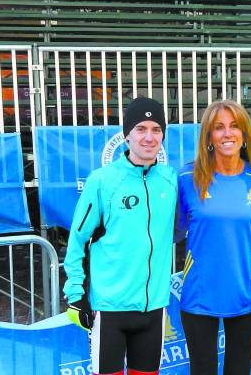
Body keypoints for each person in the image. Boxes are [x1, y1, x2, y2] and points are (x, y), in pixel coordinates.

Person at [63, 96, 177, 375]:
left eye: (156, 129)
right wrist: (75, 293)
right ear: (126, 135)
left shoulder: (170, 179)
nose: (149, 137)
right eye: (141, 129)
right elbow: (77, 240)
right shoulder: (102, 181)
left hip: (153, 309)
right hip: (110, 309)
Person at [175, 99, 251, 375]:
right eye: (219, 127)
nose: (227, 133)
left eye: (234, 127)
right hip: (199, 294)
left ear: (244, 135)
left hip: (244, 293)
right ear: (209, 136)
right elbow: (172, 230)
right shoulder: (186, 177)